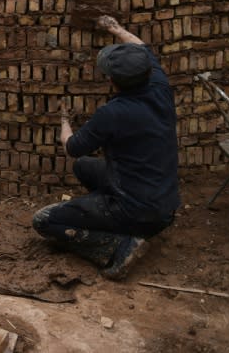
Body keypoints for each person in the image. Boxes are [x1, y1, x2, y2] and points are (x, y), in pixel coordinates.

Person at [32, 14, 180, 280]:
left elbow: (72, 147)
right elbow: (139, 45)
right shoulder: (159, 86)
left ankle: (120, 247)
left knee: (44, 220)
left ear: (112, 81)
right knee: (84, 168)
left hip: (138, 210)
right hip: (164, 204)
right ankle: (121, 220)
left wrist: (64, 121)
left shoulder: (113, 113)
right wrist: (114, 28)